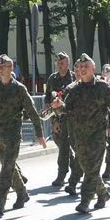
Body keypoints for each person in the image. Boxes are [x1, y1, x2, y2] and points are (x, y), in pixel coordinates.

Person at [52, 53, 110, 213]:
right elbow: (66, 110)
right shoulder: (74, 90)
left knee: (91, 171)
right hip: (79, 137)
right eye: (81, 67)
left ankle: (85, 201)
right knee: (89, 169)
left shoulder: (102, 87)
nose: (83, 69)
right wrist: (58, 106)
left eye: (86, 67)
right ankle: (103, 193)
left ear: (94, 69)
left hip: (97, 136)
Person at [0, 55, 46, 214]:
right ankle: (22, 193)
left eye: (4, 66)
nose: (0, 69)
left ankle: (0, 202)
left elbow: (32, 112)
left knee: (6, 168)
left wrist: (39, 134)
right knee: (9, 166)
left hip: (13, 134)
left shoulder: (19, 89)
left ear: (11, 68)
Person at [45, 52, 82, 188]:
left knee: (76, 147)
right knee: (62, 146)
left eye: (63, 62)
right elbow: (48, 96)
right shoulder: (52, 78)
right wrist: (50, 111)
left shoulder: (75, 77)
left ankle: (75, 171)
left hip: (74, 120)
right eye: (58, 63)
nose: (60, 65)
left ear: (68, 63)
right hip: (59, 118)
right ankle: (65, 173)